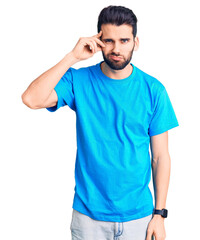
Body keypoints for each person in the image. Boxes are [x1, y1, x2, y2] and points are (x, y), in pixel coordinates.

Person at [21, 5, 179, 240]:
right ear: (98, 41)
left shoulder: (153, 90)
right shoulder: (79, 80)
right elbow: (31, 99)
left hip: (139, 218)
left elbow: (160, 157)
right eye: (109, 41)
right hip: (88, 218)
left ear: (136, 42)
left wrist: (160, 214)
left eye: (124, 40)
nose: (117, 49)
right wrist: (72, 57)